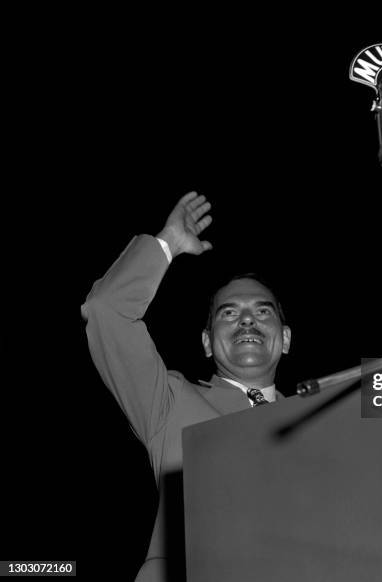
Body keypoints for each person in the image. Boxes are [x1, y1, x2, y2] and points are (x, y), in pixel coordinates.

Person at [81, 191, 291, 582]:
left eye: (262, 311)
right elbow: (106, 312)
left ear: (287, 338)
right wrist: (168, 245)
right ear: (208, 343)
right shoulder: (170, 402)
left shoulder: (326, 419)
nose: (248, 321)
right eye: (230, 313)